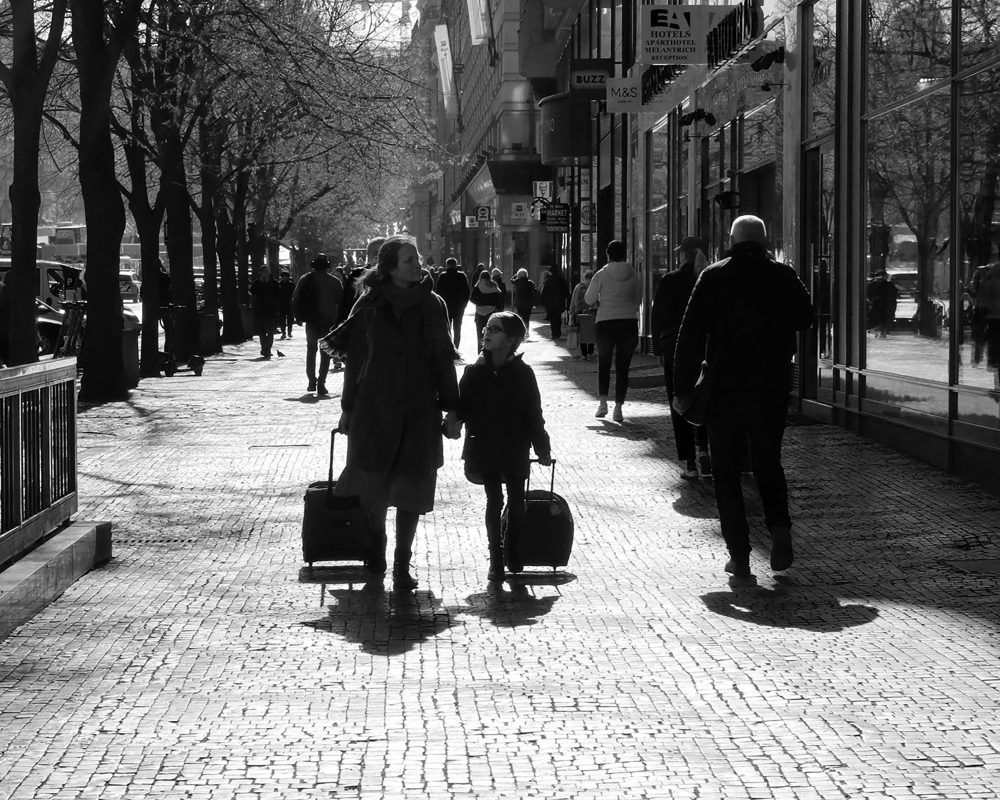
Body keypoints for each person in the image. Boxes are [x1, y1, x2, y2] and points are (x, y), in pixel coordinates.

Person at [673, 215, 813, 578]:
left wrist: (682, 388)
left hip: (724, 387)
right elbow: (806, 317)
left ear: (732, 241)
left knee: (726, 471)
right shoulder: (782, 274)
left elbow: (690, 334)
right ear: (764, 241)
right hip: (770, 385)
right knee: (768, 461)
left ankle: (739, 555)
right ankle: (779, 528)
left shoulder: (713, 275)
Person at [321, 236, 461, 592]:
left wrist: (453, 408)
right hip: (374, 411)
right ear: (390, 268)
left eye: (417, 258)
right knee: (374, 489)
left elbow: (443, 359)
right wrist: (347, 409)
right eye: (408, 260)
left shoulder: (433, 304)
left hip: (418, 411)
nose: (418, 265)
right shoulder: (369, 305)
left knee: (412, 489)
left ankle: (402, 561)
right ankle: (377, 550)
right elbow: (355, 363)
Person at [449, 311, 552, 580]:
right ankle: (496, 558)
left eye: (494, 329)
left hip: (515, 446)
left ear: (512, 340)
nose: (486, 333)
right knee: (494, 500)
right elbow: (462, 406)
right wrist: (451, 423)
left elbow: (534, 414)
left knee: (517, 503)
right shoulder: (474, 371)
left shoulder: (523, 373)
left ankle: (512, 548)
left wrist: (542, 448)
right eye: (487, 328)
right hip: (484, 446)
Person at [651, 236, 711, 479]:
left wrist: (657, 348)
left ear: (684, 254)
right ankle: (705, 450)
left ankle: (690, 463)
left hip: (674, 347)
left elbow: (657, 315)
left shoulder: (670, 280)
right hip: (704, 348)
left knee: (678, 400)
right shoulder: (710, 277)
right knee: (705, 397)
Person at [585, 240, 641, 422]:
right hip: (628, 322)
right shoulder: (633, 274)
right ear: (625, 254)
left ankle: (602, 403)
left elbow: (589, 299)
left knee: (604, 363)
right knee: (623, 367)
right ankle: (618, 408)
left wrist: (602, 300)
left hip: (605, 322)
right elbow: (638, 300)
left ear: (608, 255)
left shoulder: (601, 274)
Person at [292, 253, 344, 395]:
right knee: (325, 352)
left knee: (311, 350)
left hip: (311, 320)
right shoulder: (334, 282)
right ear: (327, 267)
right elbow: (342, 303)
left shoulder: (305, 279)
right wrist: (340, 321)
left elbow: (296, 298)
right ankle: (321, 383)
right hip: (328, 321)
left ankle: (311, 382)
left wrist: (297, 316)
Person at [435, 257, 471, 348]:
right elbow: (467, 292)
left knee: (447, 328)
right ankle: (456, 348)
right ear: (456, 265)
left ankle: (449, 347)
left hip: (446, 307)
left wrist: (441, 305)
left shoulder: (443, 276)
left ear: (447, 265)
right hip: (459, 308)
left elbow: (438, 292)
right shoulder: (462, 276)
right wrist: (463, 305)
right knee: (457, 329)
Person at [249, 266, 280, 359]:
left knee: (270, 331)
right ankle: (264, 348)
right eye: (263, 271)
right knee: (262, 331)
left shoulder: (274, 282)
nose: (265, 273)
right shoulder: (257, 282)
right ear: (261, 272)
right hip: (260, 310)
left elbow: (278, 293)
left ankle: (268, 349)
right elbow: (252, 291)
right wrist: (261, 282)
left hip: (271, 310)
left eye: (267, 271)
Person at [567, 269, 598, 360]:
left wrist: (571, 312)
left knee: (582, 333)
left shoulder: (578, 286)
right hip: (592, 312)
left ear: (584, 278)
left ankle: (584, 354)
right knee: (591, 332)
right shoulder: (594, 287)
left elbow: (573, 300)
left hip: (579, 313)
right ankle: (590, 352)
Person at [470, 267, 504, 345]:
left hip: (479, 312)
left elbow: (472, 299)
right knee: (491, 333)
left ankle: (480, 350)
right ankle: (489, 349)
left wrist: (479, 303)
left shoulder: (478, 285)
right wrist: (498, 307)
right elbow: (498, 298)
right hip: (491, 312)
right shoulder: (493, 284)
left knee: (480, 334)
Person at [540, 266, 570, 339]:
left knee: (552, 318)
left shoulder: (548, 281)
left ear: (551, 272)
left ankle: (554, 333)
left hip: (550, 303)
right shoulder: (562, 280)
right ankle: (558, 332)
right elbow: (566, 291)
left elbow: (543, 293)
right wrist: (569, 299)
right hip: (559, 302)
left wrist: (543, 302)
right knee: (558, 317)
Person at [866, 270, 897, 338]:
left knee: (880, 320)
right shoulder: (888, 285)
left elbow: (869, 296)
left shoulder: (874, 284)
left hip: (881, 306)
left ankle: (879, 332)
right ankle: (881, 333)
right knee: (882, 320)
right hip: (883, 306)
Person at [512, 268, 536, 337]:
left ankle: (522, 331)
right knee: (527, 318)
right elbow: (534, 292)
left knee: (521, 317)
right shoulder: (530, 282)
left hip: (519, 303)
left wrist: (515, 275)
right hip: (528, 303)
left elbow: (511, 280)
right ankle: (527, 331)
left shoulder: (517, 282)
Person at [276, 268, 295, 339]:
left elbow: (294, 293)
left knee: (290, 319)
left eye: (286, 277)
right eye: (283, 277)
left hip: (289, 303)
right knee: (282, 319)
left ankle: (289, 332)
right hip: (281, 304)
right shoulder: (278, 285)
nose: (284, 278)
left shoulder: (291, 285)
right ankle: (283, 332)